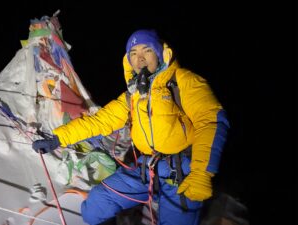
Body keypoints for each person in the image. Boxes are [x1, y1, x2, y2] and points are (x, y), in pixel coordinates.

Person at [32, 29, 229, 225]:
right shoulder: (133, 96)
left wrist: (201, 173)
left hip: (183, 173)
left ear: (160, 53)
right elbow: (101, 120)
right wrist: (58, 138)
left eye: (147, 51)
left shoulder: (183, 81)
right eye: (133, 54)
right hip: (147, 168)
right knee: (96, 207)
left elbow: (211, 120)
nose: (140, 59)